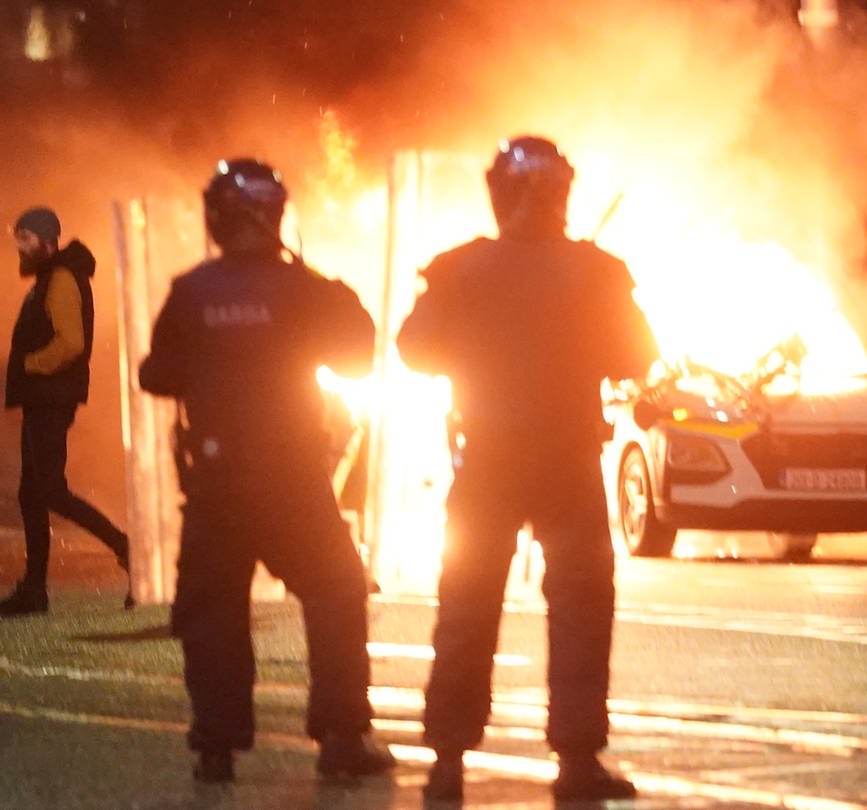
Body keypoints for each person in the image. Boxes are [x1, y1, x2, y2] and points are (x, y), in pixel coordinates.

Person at [397, 136, 656, 803]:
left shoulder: (461, 268)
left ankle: (448, 760)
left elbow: (415, 350)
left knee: (467, 604)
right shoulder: (596, 270)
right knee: (579, 607)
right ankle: (575, 759)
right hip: (567, 461)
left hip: (486, 462)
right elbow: (636, 355)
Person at [137, 158, 395, 783]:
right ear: (274, 211)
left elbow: (155, 374)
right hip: (292, 480)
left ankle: (216, 749)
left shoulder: (191, 290)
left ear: (220, 215)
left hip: (216, 481)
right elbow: (360, 357)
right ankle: (340, 738)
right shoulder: (304, 288)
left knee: (213, 610)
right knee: (336, 592)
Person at [2, 207, 131, 616]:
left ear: (44, 240)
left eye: (23, 238)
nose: (18, 247)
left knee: (49, 490)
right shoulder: (49, 277)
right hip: (44, 398)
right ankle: (34, 590)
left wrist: (29, 366)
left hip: (51, 398)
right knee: (31, 492)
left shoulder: (59, 278)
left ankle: (127, 549)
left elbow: (71, 343)